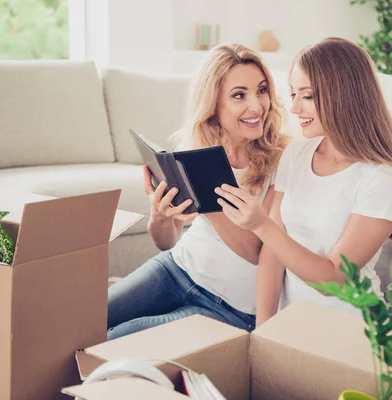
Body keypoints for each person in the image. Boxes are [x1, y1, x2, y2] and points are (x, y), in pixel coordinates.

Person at [215, 37, 392, 326]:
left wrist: (260, 225)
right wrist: (263, 331)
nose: (294, 108)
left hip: (348, 329)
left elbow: (333, 279)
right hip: (290, 324)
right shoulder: (296, 153)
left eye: (308, 96)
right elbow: (272, 255)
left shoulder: (383, 178)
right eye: (293, 94)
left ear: (344, 96)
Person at [107, 43, 289, 340]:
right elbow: (166, 242)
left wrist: (208, 196)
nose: (256, 106)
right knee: (82, 323)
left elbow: (258, 252)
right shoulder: (194, 148)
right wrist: (160, 214)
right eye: (239, 95)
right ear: (214, 104)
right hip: (175, 269)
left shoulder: (282, 159)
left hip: (228, 309)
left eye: (262, 90)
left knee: (111, 339)